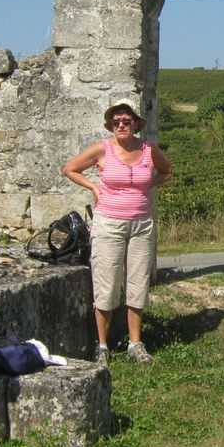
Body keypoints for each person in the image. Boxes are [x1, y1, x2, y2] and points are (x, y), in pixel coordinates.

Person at [62, 99, 172, 366]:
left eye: (126, 121)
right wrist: (94, 188)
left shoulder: (148, 149)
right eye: (116, 122)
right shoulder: (103, 149)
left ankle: (136, 343)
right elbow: (70, 169)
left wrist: (147, 186)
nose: (121, 125)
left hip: (142, 224)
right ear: (111, 126)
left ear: (135, 123)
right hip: (109, 223)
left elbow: (166, 171)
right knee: (107, 282)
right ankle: (102, 345)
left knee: (137, 282)